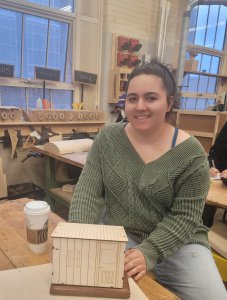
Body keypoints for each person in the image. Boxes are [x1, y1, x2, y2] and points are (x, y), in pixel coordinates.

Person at [69, 60, 227, 300]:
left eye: (151, 98)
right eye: (132, 98)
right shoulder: (107, 139)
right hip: (124, 235)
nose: (139, 106)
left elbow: (185, 217)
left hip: (181, 243)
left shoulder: (191, 153)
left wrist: (149, 252)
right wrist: (79, 236)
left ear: (169, 103)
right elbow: (87, 193)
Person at [202, 121, 227, 227]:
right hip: (221, 177)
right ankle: (204, 230)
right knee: (206, 196)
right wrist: (212, 166)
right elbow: (215, 152)